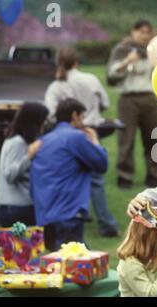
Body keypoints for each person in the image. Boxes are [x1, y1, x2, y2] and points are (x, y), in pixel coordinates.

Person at [45, 47, 119, 237]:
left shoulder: (56, 86)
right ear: (76, 62)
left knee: (71, 177)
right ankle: (106, 224)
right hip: (89, 131)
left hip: (66, 136)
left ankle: (76, 216)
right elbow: (105, 103)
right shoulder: (91, 79)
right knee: (96, 180)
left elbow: (51, 113)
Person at [30, 98, 108, 251]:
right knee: (74, 265)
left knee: (55, 263)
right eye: (82, 117)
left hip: (44, 213)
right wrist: (95, 141)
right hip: (68, 211)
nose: (84, 122)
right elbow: (101, 164)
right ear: (74, 115)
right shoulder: (75, 137)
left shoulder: (45, 140)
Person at [107, 19, 157, 189]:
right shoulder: (121, 49)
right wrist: (127, 61)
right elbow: (111, 76)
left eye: (147, 32)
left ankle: (153, 178)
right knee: (126, 140)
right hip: (128, 99)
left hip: (150, 98)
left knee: (152, 139)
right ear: (133, 32)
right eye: (141, 32)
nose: (144, 36)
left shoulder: (154, 50)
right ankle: (124, 177)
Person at [0, 103, 48, 227]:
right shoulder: (18, 142)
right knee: (25, 246)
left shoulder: (13, 140)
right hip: (18, 207)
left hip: (13, 207)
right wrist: (29, 157)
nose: (45, 124)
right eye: (43, 120)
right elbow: (10, 174)